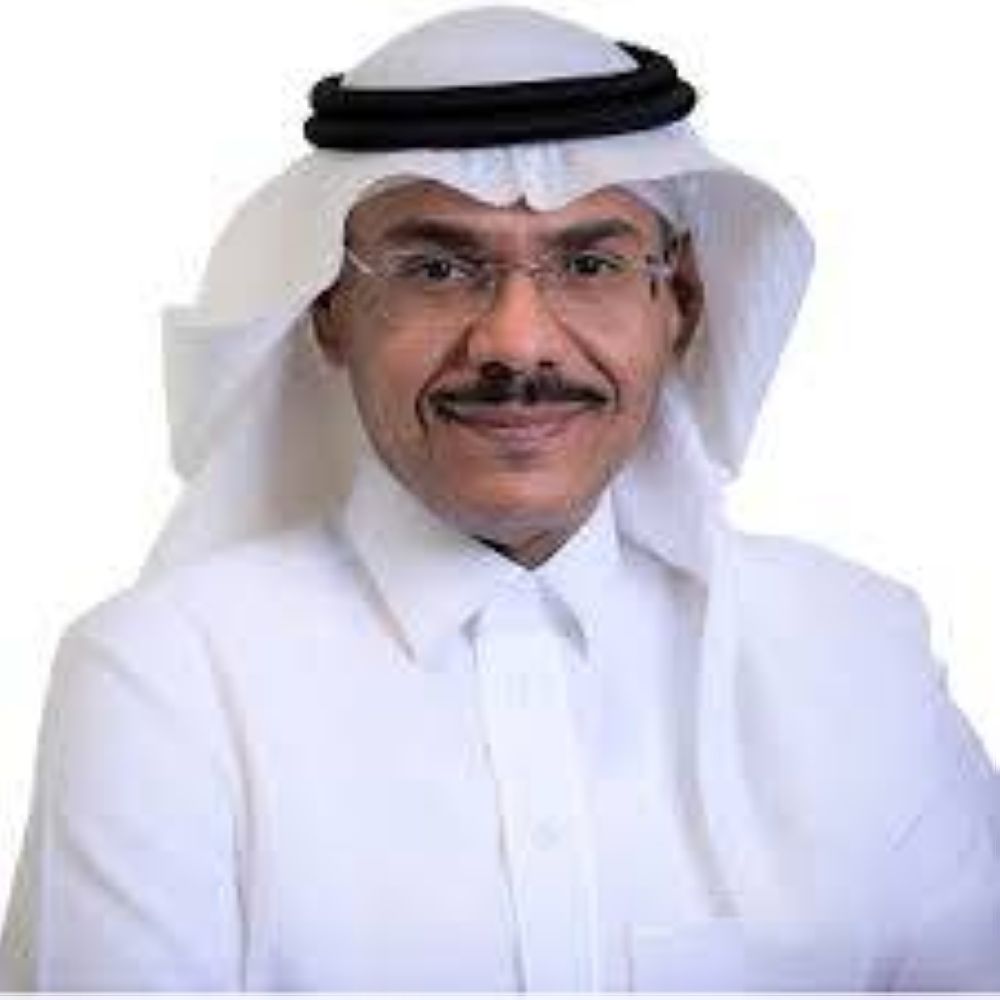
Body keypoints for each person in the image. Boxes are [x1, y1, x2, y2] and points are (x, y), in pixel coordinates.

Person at [2, 5, 998, 991]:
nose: (517, 344)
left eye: (590, 264)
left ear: (681, 305)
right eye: (437, 269)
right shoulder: (167, 684)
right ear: (332, 312)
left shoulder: (857, 651)